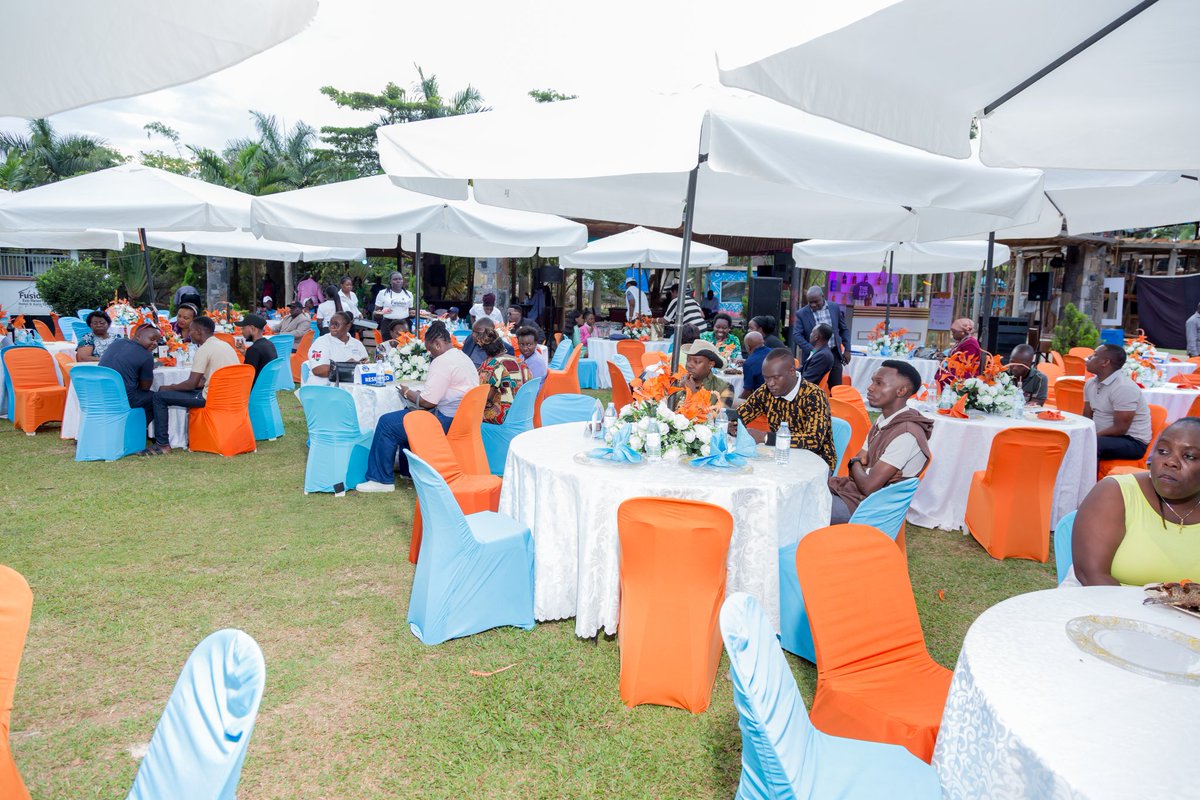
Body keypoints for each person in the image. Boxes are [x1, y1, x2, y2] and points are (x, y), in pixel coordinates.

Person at [1071, 418, 1200, 586]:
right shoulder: (1115, 493)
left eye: (1189, 456)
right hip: (1109, 607)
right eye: (1162, 451)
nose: (1170, 462)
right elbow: (1091, 575)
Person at [357, 321, 480, 492]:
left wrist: (407, 392)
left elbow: (427, 402)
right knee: (407, 415)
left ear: (437, 344)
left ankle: (380, 480)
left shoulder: (442, 361)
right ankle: (408, 471)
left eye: (430, 350)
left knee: (387, 423)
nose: (430, 354)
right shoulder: (463, 357)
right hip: (460, 419)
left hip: (444, 421)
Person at [827, 361, 932, 523]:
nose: (870, 387)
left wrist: (858, 464)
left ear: (901, 391)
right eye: (872, 381)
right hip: (854, 493)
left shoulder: (906, 434)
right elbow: (861, 461)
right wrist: (866, 468)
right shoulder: (885, 420)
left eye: (879, 383)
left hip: (867, 509)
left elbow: (868, 486)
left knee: (805, 507)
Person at [143, 316, 239, 456]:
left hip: (211, 397)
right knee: (174, 391)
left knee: (159, 396)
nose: (189, 334)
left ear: (199, 332)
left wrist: (168, 387)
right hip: (230, 395)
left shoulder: (204, 349)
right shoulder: (224, 345)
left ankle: (162, 444)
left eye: (191, 330)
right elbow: (203, 381)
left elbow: (191, 384)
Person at [734, 348, 837, 470]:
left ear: (792, 371)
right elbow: (742, 413)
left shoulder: (813, 395)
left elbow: (814, 440)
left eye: (776, 377)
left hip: (816, 463)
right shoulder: (766, 391)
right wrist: (732, 423)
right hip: (780, 457)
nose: (770, 383)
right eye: (766, 378)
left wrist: (766, 438)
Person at [1084, 343, 1153, 460]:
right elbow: (1087, 417)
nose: (1088, 358)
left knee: (1090, 444)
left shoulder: (1124, 387)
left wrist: (1090, 437)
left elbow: (1120, 428)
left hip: (1131, 441)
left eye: (1094, 355)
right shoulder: (1090, 383)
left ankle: (1089, 479)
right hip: (1102, 436)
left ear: (1105, 362)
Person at [794, 286, 851, 387]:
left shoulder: (834, 307)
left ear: (823, 296)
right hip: (815, 356)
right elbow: (797, 335)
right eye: (810, 302)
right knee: (809, 386)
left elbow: (844, 329)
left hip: (834, 354)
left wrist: (847, 349)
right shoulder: (801, 313)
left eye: (816, 301)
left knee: (836, 387)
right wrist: (813, 350)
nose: (813, 305)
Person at [97, 322, 159, 417]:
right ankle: (140, 430)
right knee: (158, 398)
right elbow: (145, 387)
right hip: (123, 399)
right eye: (152, 339)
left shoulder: (117, 342)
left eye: (157, 341)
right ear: (138, 336)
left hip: (99, 395)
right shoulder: (146, 356)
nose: (155, 344)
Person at [477, 328, 533, 424]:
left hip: (504, 415)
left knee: (466, 412)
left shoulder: (492, 365)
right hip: (523, 412)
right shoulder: (520, 362)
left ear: (485, 351)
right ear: (502, 345)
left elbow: (483, 397)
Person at [305, 312, 368, 385]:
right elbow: (318, 370)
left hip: (351, 387)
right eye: (330, 323)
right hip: (324, 388)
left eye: (336, 324)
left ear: (348, 326)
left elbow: (366, 367)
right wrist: (346, 366)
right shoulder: (321, 342)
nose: (332, 327)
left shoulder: (357, 344)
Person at [669, 340, 734, 410]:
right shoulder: (676, 381)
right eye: (688, 360)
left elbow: (718, 417)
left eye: (696, 362)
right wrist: (681, 390)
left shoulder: (725, 388)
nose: (689, 365)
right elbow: (664, 410)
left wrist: (693, 393)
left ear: (710, 364)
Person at [934, 318, 983, 387]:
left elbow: (965, 363)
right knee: (939, 374)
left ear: (962, 332)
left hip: (965, 373)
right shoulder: (963, 341)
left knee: (942, 377)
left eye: (954, 332)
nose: (953, 335)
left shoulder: (970, 343)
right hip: (956, 370)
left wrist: (948, 361)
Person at [236, 313, 277, 385]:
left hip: (254, 389)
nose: (242, 332)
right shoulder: (270, 345)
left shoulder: (254, 349)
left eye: (243, 328)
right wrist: (245, 353)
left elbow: (247, 376)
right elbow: (260, 362)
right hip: (267, 387)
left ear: (252, 328)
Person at [373, 271, 414, 340]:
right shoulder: (383, 293)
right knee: (389, 347)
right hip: (388, 324)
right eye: (395, 279)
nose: (398, 281)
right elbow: (377, 311)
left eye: (400, 279)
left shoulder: (409, 294)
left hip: (404, 324)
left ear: (403, 280)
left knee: (405, 348)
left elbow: (410, 311)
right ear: (390, 281)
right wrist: (379, 313)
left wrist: (415, 313)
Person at [801, 323, 835, 388]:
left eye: (812, 332)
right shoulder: (816, 351)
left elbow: (807, 379)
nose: (810, 334)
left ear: (816, 337)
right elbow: (803, 369)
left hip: (806, 393)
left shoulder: (823, 356)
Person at [740, 331, 767, 399]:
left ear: (748, 347)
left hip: (762, 399)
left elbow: (747, 393)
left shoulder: (749, 363)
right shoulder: (774, 352)